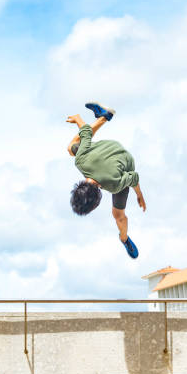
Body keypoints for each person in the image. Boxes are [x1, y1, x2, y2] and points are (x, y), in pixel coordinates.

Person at [66, 103, 146, 258]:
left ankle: (124, 238)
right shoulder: (81, 161)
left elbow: (133, 176)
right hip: (107, 147)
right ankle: (104, 116)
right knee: (71, 149)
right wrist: (78, 120)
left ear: (97, 201)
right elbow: (86, 132)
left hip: (125, 160)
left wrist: (139, 195)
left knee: (118, 215)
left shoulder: (114, 185)